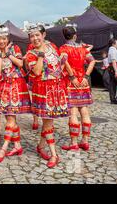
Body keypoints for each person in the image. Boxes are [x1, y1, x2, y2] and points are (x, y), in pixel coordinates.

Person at [25, 24, 69, 168]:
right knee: (48, 122)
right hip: (42, 90)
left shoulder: (53, 46)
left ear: (43, 35)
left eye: (37, 35)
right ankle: (54, 154)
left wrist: (63, 62)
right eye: (32, 36)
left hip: (56, 87)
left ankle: (40, 146)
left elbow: (58, 65)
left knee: (48, 122)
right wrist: (41, 55)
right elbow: (37, 72)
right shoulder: (31, 54)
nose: (35, 38)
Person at [0, 25, 32, 164]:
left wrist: (8, 54)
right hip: (4, 86)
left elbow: (20, 63)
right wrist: (1, 55)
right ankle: (18, 146)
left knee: (10, 119)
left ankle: (4, 148)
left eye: (3, 39)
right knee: (10, 117)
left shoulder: (15, 48)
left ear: (7, 39)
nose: (1, 41)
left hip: (16, 85)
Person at [59, 25, 96, 152]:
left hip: (71, 82)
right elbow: (92, 61)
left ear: (64, 36)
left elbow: (64, 62)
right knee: (84, 111)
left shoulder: (63, 48)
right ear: (75, 35)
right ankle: (85, 141)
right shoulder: (83, 48)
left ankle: (74, 143)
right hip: (83, 81)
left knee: (73, 112)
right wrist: (86, 75)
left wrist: (72, 76)